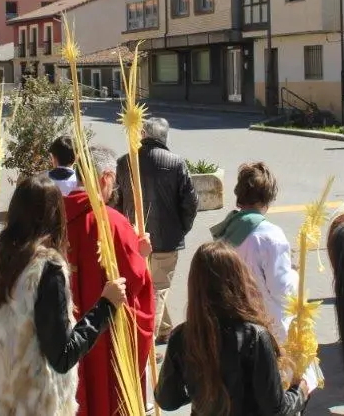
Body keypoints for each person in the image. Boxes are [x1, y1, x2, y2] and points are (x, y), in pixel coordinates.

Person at [0, 174, 126, 415]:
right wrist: (106, 306)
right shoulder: (45, 270)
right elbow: (63, 355)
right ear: (56, 217)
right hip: (27, 405)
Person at [155, 241, 312, 415]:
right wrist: (299, 392)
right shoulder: (255, 336)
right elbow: (275, 409)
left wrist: (198, 390)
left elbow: (167, 400)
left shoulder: (182, 336)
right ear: (238, 280)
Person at [64, 144, 154, 416]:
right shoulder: (112, 223)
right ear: (106, 178)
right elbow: (135, 283)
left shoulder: (53, 216)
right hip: (105, 338)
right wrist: (142, 255)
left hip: (64, 337)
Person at [114, 117, 197, 345]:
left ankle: (165, 330)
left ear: (143, 135)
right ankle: (145, 341)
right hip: (166, 239)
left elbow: (116, 201)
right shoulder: (176, 162)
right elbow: (190, 202)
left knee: (151, 284)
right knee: (159, 287)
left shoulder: (124, 162)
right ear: (164, 137)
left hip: (133, 238)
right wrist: (181, 228)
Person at [211, 162, 296, 342]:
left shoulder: (226, 231)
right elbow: (281, 290)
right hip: (268, 326)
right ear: (267, 198)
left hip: (234, 324)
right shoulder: (271, 236)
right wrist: (295, 276)